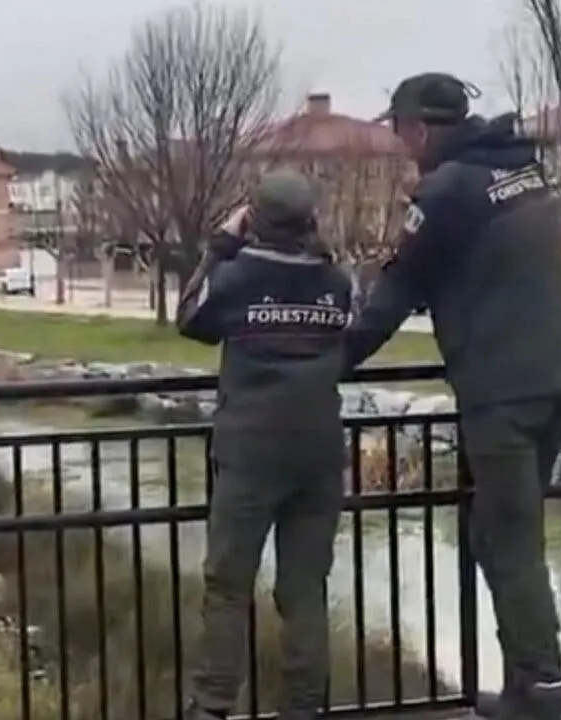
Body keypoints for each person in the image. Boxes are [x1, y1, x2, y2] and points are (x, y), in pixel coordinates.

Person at [345, 72, 561, 720]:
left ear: (421, 128)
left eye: (401, 132)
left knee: (506, 540)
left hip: (501, 390)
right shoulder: (523, 168)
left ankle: (540, 689)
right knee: (497, 532)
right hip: (556, 377)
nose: (401, 146)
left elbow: (394, 294)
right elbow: (489, 261)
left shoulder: (448, 190)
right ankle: (528, 680)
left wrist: (327, 363)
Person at [176, 170, 354, 720]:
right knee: (304, 588)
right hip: (319, 450)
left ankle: (212, 705)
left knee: (228, 584)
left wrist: (220, 246)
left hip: (251, 450)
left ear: (253, 218)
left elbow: (190, 317)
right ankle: (303, 707)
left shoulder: (238, 275)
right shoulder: (337, 282)